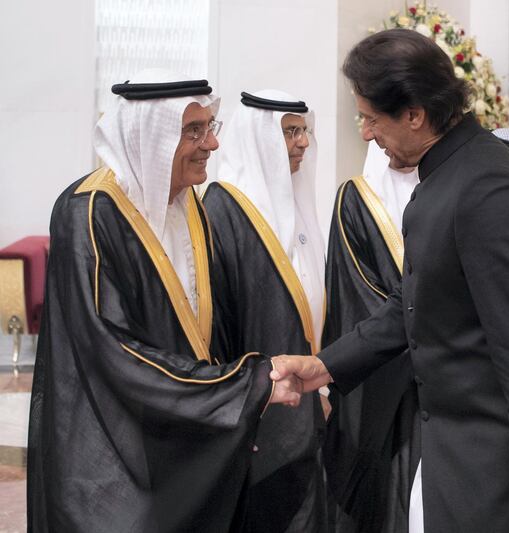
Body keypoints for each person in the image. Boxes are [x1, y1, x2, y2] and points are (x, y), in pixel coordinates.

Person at [271, 29, 509, 533]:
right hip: (454, 459)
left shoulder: (487, 187)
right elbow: (415, 301)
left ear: (414, 114)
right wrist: (325, 365)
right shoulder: (445, 176)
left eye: (370, 117)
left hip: (497, 472)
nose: (364, 132)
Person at [27, 71, 301, 532]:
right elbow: (112, 350)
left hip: (187, 435)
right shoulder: (88, 212)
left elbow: (213, 329)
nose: (211, 144)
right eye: (193, 131)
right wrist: (239, 388)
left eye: (210, 127)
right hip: (115, 451)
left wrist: (236, 404)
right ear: (147, 138)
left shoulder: (190, 207)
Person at [203, 90, 327, 532]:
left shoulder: (295, 202)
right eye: (290, 131)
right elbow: (216, 330)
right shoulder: (222, 210)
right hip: (256, 418)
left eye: (304, 130)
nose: (302, 143)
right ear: (258, 138)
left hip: (305, 408)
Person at [322, 140, 421, 533]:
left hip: (433, 371)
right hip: (382, 369)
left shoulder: (440, 189)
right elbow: (355, 287)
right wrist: (417, 332)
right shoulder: (355, 197)